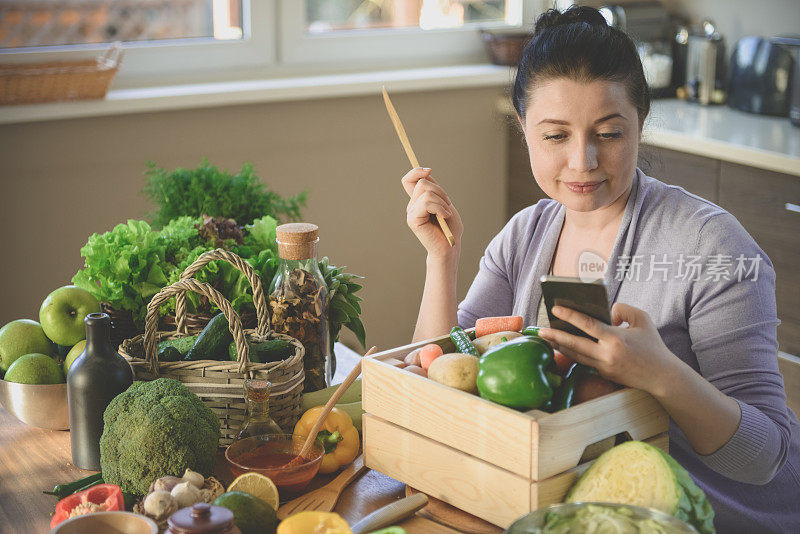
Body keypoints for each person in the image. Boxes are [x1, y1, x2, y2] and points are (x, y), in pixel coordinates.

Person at [400, 6, 800, 533]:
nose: (583, 161)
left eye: (609, 133)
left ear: (641, 121)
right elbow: (437, 375)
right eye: (555, 136)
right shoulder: (524, 235)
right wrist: (442, 259)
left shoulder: (713, 246)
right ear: (523, 130)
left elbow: (765, 456)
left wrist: (660, 375)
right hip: (563, 508)